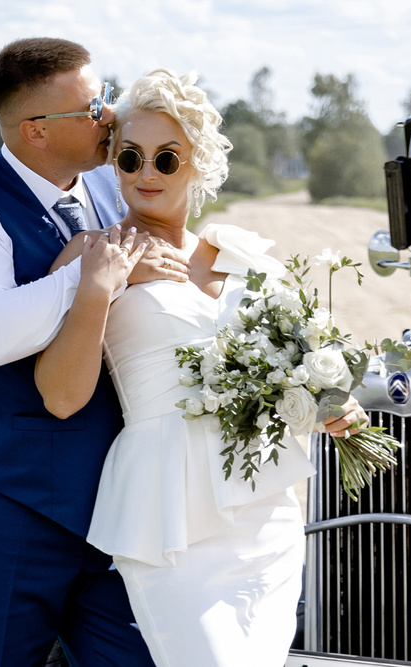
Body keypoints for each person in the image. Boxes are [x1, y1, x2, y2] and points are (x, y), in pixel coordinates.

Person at [34, 68, 367, 667]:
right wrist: (97, 288)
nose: (145, 174)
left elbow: (298, 364)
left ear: (198, 163)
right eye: (130, 157)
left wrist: (332, 401)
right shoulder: (93, 254)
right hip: (168, 518)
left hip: (263, 514)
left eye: (166, 159)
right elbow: (59, 397)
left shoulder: (238, 254)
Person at [0, 37, 186, 667]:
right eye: (95, 106)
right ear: (35, 131)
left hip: (106, 505)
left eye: (108, 97)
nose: (111, 116)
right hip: (1, 506)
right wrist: (98, 273)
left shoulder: (102, 187)